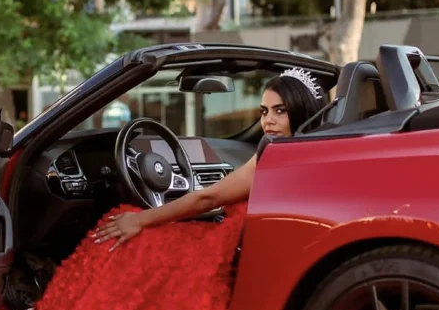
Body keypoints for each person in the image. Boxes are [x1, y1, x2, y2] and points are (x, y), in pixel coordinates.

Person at [93, 67, 324, 250]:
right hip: (290, 249)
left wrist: (140, 220)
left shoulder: (274, 152)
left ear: (300, 111)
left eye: (280, 111)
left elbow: (207, 200)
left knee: (140, 242)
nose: (268, 121)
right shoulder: (324, 149)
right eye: (264, 112)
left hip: (258, 252)